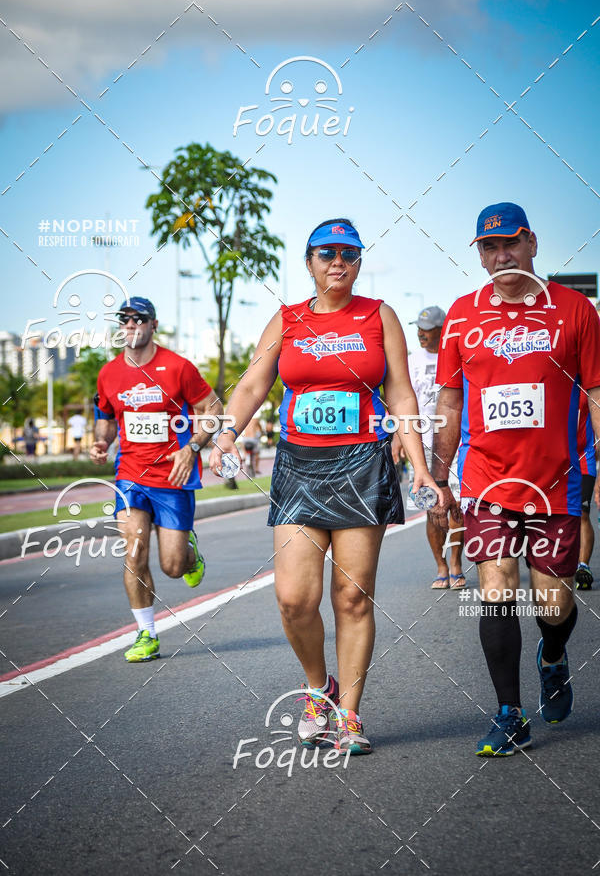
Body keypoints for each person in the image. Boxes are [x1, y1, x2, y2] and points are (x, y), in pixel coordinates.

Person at [209, 218, 441, 754]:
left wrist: (421, 467)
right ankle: (319, 689)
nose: (339, 262)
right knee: (293, 598)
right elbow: (251, 385)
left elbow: (402, 394)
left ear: (359, 260)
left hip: (361, 465)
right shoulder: (286, 320)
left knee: (353, 599)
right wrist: (224, 438)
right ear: (309, 262)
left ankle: (351, 716)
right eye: (327, 253)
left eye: (350, 253)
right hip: (298, 468)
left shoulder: (379, 315)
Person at [431, 202, 600, 756]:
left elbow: (595, 393)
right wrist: (439, 473)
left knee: (554, 604)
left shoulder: (575, 310)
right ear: (479, 255)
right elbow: (451, 402)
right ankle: (510, 713)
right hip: (487, 480)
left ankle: (552, 655)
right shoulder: (461, 314)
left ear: (532, 243)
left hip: (555, 480)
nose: (501, 255)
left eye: (511, 243)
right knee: (496, 587)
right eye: (488, 247)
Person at [90, 296, 223, 663]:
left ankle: (190, 554)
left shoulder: (178, 368)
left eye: (139, 319)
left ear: (153, 325)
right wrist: (102, 440)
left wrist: (193, 447)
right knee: (134, 550)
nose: (130, 325)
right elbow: (104, 414)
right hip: (130, 475)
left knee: (173, 566)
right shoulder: (108, 373)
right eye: (125, 319)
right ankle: (146, 634)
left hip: (173, 475)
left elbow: (213, 409)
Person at [406, 306, 464, 589]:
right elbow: (403, 400)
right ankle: (440, 565)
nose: (420, 333)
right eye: (418, 327)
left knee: (457, 506)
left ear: (441, 330)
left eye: (426, 329)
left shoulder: (454, 354)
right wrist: (399, 438)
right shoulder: (412, 360)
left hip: (456, 441)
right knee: (431, 507)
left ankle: (455, 562)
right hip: (424, 444)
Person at [575, 396, 596, 590]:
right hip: (555, 460)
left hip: (583, 460)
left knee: (583, 514)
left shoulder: (587, 388)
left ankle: (583, 566)